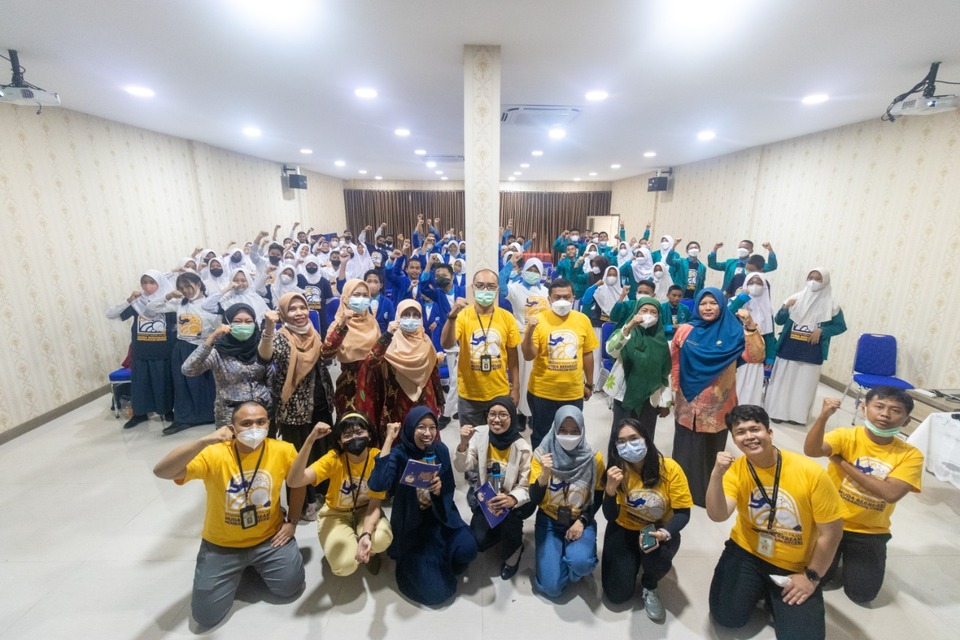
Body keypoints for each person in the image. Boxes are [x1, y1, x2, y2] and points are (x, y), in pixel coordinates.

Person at [152, 401, 305, 628]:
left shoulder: (282, 450)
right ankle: (238, 569)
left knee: (290, 588)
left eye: (261, 422)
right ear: (232, 428)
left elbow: (298, 484)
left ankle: (253, 566)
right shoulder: (214, 453)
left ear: (269, 424)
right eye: (246, 423)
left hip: (269, 539)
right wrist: (204, 441)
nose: (255, 428)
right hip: (222, 545)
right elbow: (162, 471)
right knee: (205, 617)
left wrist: (292, 521)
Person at [706, 405, 843, 640]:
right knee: (726, 618)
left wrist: (811, 577)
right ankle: (764, 590)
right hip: (748, 552)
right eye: (740, 432)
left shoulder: (810, 472)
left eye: (755, 429)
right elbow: (718, 515)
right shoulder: (736, 470)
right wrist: (716, 474)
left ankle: (771, 595)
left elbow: (831, 533)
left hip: (796, 563)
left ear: (769, 432)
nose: (749, 436)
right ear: (734, 439)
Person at [803, 389, 923, 603]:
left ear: (906, 421)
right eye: (879, 406)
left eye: (895, 410)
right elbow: (812, 450)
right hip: (829, 523)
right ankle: (835, 555)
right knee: (819, 579)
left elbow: (890, 493)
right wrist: (823, 417)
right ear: (864, 408)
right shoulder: (846, 435)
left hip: (870, 530)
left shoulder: (911, 455)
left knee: (862, 594)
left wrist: (841, 462)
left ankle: (847, 557)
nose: (885, 414)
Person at [367, 407, 478, 605]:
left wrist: (438, 491)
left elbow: (450, 488)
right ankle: (430, 565)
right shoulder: (400, 454)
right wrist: (389, 440)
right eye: (421, 427)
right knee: (437, 593)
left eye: (432, 427)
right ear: (410, 428)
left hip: (442, 516)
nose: (427, 433)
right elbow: (378, 484)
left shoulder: (439, 449)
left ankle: (439, 563)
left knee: (468, 548)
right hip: (414, 525)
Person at [671, 288, 765, 506]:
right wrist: (674, 388)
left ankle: (706, 494)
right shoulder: (685, 330)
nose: (708, 308)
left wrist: (750, 325)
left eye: (713, 303)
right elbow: (675, 361)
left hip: (717, 405)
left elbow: (756, 356)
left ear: (722, 305)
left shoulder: (734, 332)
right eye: (703, 303)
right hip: (687, 401)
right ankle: (678, 491)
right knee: (684, 448)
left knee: (709, 451)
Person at [602, 419, 692, 621]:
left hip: (656, 529)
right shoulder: (617, 469)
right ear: (615, 445)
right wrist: (610, 489)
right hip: (624, 527)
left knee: (657, 558)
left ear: (646, 438)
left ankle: (650, 584)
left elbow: (683, 513)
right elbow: (610, 516)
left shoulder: (670, 468)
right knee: (617, 596)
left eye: (634, 438)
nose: (628, 445)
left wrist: (664, 533)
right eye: (621, 441)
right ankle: (633, 562)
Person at [287, 412, 394, 576]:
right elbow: (294, 481)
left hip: (366, 510)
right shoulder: (333, 459)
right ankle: (350, 542)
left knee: (381, 539)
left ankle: (368, 551)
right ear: (340, 441)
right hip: (335, 513)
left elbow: (375, 503)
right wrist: (310, 440)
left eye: (359, 432)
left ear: (369, 435)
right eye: (347, 435)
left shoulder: (377, 457)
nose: (354, 438)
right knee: (343, 566)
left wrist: (366, 534)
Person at [258, 293, 335, 520]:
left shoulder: (313, 333)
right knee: (298, 457)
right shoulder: (281, 338)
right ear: (283, 314)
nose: (299, 313)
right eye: (292, 309)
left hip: (320, 404)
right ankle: (302, 505)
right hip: (294, 409)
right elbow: (266, 356)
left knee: (322, 452)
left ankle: (323, 494)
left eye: (303, 307)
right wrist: (268, 329)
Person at [454, 396, 534, 580]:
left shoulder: (522, 448)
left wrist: (512, 499)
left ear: (512, 417)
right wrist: (463, 443)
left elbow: (526, 485)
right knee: (478, 542)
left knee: (510, 532)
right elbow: (462, 466)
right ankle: (498, 531)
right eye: (492, 414)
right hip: (487, 500)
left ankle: (515, 547)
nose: (497, 419)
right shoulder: (479, 435)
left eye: (503, 415)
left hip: (510, 503)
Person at [529, 406, 605, 598]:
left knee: (582, 563)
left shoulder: (593, 458)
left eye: (574, 431)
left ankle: (571, 560)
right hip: (549, 520)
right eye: (563, 430)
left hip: (580, 519)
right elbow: (534, 499)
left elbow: (597, 496)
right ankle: (558, 559)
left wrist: (582, 521)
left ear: (582, 430)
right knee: (552, 588)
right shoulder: (542, 455)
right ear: (555, 428)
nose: (569, 436)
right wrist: (544, 474)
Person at [522, 278, 599, 449]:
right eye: (557, 297)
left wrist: (589, 383)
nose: (562, 300)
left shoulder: (582, 319)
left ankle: (566, 465)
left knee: (571, 436)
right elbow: (528, 355)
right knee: (541, 436)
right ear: (549, 299)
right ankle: (540, 465)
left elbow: (587, 353)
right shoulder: (538, 320)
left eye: (566, 296)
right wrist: (529, 332)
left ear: (573, 298)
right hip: (542, 392)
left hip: (573, 392)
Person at [440, 269, 521, 429]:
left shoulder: (507, 318)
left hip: (499, 392)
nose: (485, 290)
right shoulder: (462, 316)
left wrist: (516, 388)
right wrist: (452, 315)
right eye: (480, 285)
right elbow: (446, 344)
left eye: (491, 286)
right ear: (473, 288)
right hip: (469, 395)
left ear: (497, 289)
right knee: (472, 440)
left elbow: (513, 357)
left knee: (498, 438)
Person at [764, 267, 847, 425]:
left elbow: (840, 326)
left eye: (818, 278)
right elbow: (779, 321)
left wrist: (822, 330)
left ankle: (797, 416)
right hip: (788, 347)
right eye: (810, 277)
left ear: (825, 281)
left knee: (803, 386)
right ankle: (777, 412)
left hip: (811, 351)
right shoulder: (795, 298)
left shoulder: (832, 305)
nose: (813, 281)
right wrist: (786, 307)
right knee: (783, 383)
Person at [181, 303, 273, 427]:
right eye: (237, 321)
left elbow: (270, 381)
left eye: (248, 321)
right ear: (227, 323)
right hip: (230, 417)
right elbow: (188, 369)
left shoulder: (262, 347)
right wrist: (212, 337)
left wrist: (270, 406)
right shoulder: (218, 351)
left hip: (261, 415)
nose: (243, 325)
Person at [105, 270, 177, 429]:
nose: (147, 286)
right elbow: (111, 315)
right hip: (141, 351)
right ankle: (139, 414)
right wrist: (129, 300)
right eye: (144, 282)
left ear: (159, 284)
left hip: (163, 351)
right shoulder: (138, 302)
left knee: (163, 383)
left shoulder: (170, 302)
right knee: (140, 384)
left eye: (152, 282)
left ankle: (166, 411)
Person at [366, 301, 444, 445]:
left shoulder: (426, 342)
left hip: (425, 399)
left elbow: (434, 371)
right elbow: (371, 362)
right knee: (399, 442)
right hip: (397, 402)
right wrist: (388, 334)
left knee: (426, 440)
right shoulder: (389, 341)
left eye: (416, 315)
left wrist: (440, 399)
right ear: (398, 317)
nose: (411, 319)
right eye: (406, 315)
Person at [604, 296, 671, 440]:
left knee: (645, 435)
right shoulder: (625, 332)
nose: (648, 315)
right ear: (636, 312)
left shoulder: (661, 341)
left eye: (653, 312)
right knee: (621, 434)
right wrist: (629, 327)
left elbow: (665, 373)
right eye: (644, 310)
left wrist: (665, 402)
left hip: (650, 396)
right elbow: (611, 350)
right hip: (624, 395)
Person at [162, 272, 220, 435]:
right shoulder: (179, 304)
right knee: (181, 384)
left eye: (188, 286)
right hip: (181, 347)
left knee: (205, 383)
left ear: (199, 284)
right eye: (181, 288)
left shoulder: (210, 304)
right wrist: (168, 295)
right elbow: (151, 309)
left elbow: (218, 328)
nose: (185, 290)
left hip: (203, 347)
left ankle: (209, 415)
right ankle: (183, 418)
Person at [500, 255, 549, 429]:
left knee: (538, 374)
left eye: (536, 270)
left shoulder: (546, 291)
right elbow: (500, 283)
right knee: (521, 375)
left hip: (541, 337)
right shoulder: (515, 288)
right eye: (530, 269)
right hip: (521, 336)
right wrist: (510, 264)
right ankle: (520, 412)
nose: (532, 273)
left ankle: (535, 412)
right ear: (524, 270)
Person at [322, 278, 382, 418]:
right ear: (346, 298)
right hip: (349, 386)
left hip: (373, 384)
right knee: (351, 425)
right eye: (356, 295)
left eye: (365, 295)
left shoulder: (373, 322)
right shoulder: (337, 324)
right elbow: (326, 354)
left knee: (372, 423)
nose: (361, 299)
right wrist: (342, 326)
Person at [728, 271, 775, 405]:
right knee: (735, 381)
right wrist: (742, 297)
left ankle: (748, 408)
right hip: (737, 351)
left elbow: (770, 335)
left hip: (757, 352)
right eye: (751, 282)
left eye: (759, 283)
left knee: (752, 383)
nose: (755, 286)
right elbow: (727, 313)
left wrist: (770, 356)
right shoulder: (736, 301)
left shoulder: (768, 308)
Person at [708, 239, 778, 295]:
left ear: (751, 251)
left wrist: (770, 250)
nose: (742, 249)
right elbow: (713, 265)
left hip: (745, 295)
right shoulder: (730, 262)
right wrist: (715, 248)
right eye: (740, 247)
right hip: (727, 293)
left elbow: (772, 266)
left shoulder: (754, 264)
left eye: (745, 248)